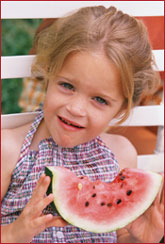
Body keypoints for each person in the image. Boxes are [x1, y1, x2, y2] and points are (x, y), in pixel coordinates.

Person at [1, 5, 164, 243]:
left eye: (99, 100)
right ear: (49, 73)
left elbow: (119, 237)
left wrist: (141, 239)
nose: (76, 109)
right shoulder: (9, 150)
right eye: (67, 86)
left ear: (121, 108)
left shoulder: (120, 154)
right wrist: (14, 233)